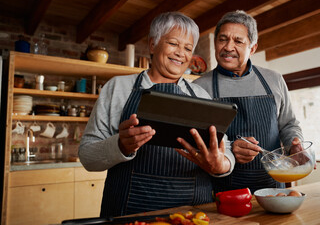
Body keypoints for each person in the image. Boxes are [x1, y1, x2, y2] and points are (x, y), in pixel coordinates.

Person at [79, 12, 235, 217]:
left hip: (193, 215)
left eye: (188, 48)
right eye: (173, 43)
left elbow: (226, 148)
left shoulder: (200, 95)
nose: (181, 53)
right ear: (153, 45)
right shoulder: (118, 88)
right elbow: (87, 156)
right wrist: (121, 145)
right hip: (130, 213)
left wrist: (221, 164)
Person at [193, 10, 303, 193]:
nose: (228, 47)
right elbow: (199, 142)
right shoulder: (199, 87)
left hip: (273, 187)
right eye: (222, 39)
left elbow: (289, 124)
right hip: (221, 190)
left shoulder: (274, 80)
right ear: (215, 43)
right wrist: (229, 151)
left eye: (238, 41)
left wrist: (295, 145)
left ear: (252, 48)